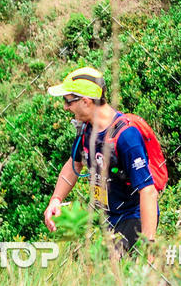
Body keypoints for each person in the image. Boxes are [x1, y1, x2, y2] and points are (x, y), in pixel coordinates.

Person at [44, 67, 158, 253]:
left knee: (113, 273)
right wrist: (56, 200)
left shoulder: (126, 136)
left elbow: (148, 191)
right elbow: (74, 164)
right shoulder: (87, 129)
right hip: (110, 218)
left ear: (86, 101)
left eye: (68, 101)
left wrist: (149, 245)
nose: (65, 107)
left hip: (134, 217)